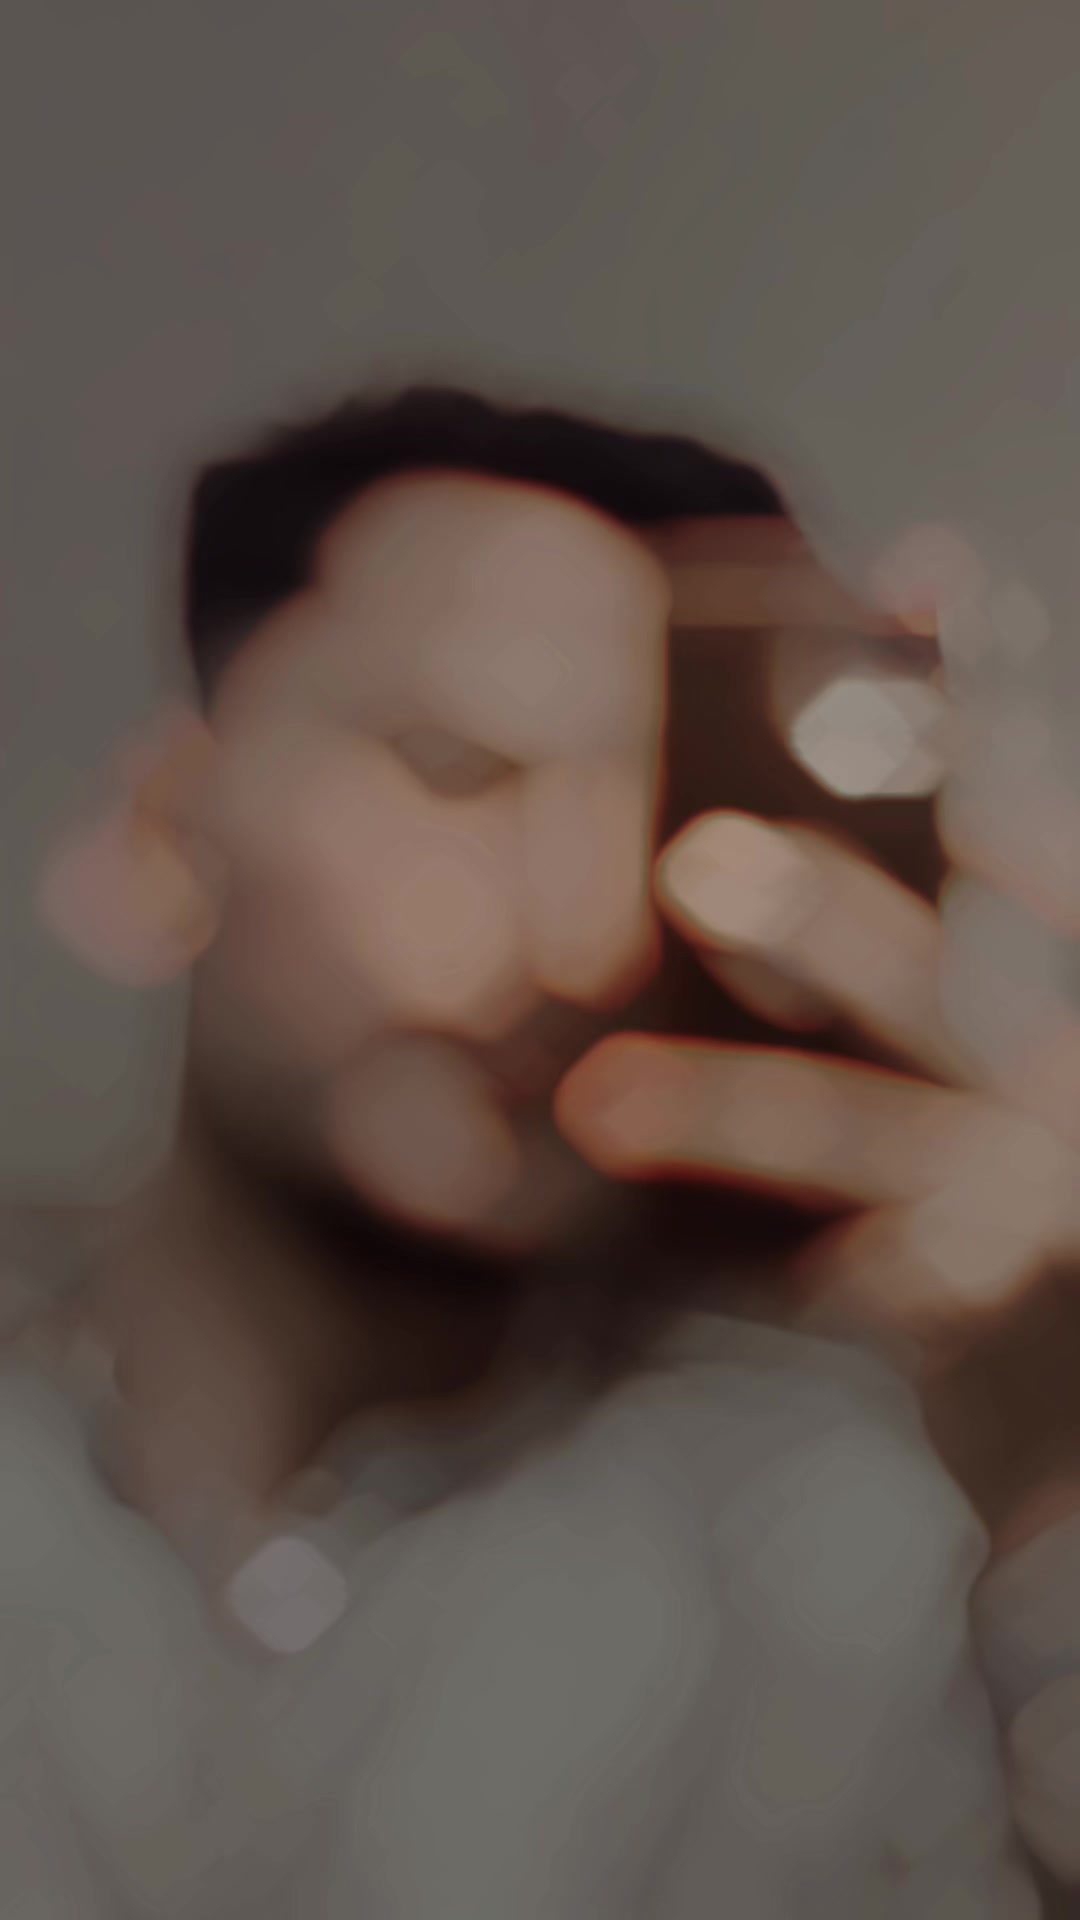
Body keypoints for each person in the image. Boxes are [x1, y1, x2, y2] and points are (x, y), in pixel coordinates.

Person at [0, 386, 1048, 1914]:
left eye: (663, 810)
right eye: (456, 767)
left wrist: (1056, 1498)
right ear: (165, 836)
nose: (586, 935)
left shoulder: (857, 1556)